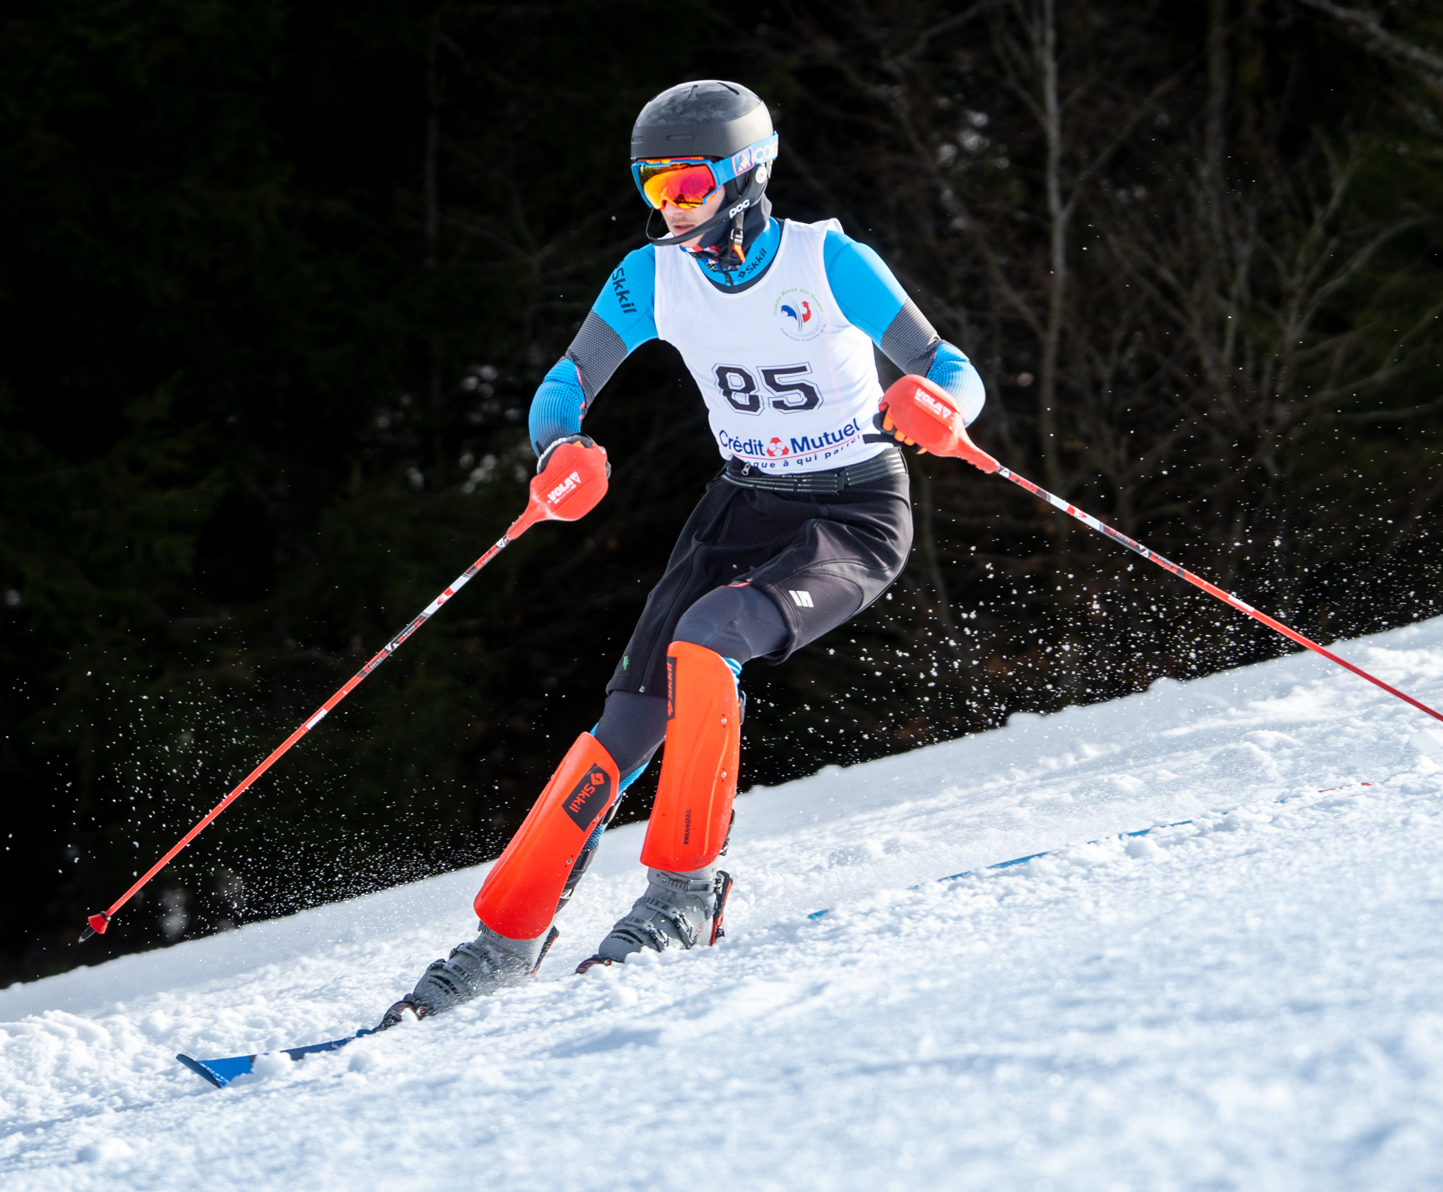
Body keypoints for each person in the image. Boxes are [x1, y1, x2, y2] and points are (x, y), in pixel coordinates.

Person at [379, 79, 988, 1025]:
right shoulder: (651, 276)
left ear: (746, 176)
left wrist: (940, 406)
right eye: (653, 186)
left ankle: (684, 895)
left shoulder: (829, 261)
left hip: (855, 511)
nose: (670, 206)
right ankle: (504, 941)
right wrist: (560, 446)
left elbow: (949, 366)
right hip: (741, 505)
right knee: (625, 719)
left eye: (689, 184)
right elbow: (566, 380)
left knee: (709, 639)